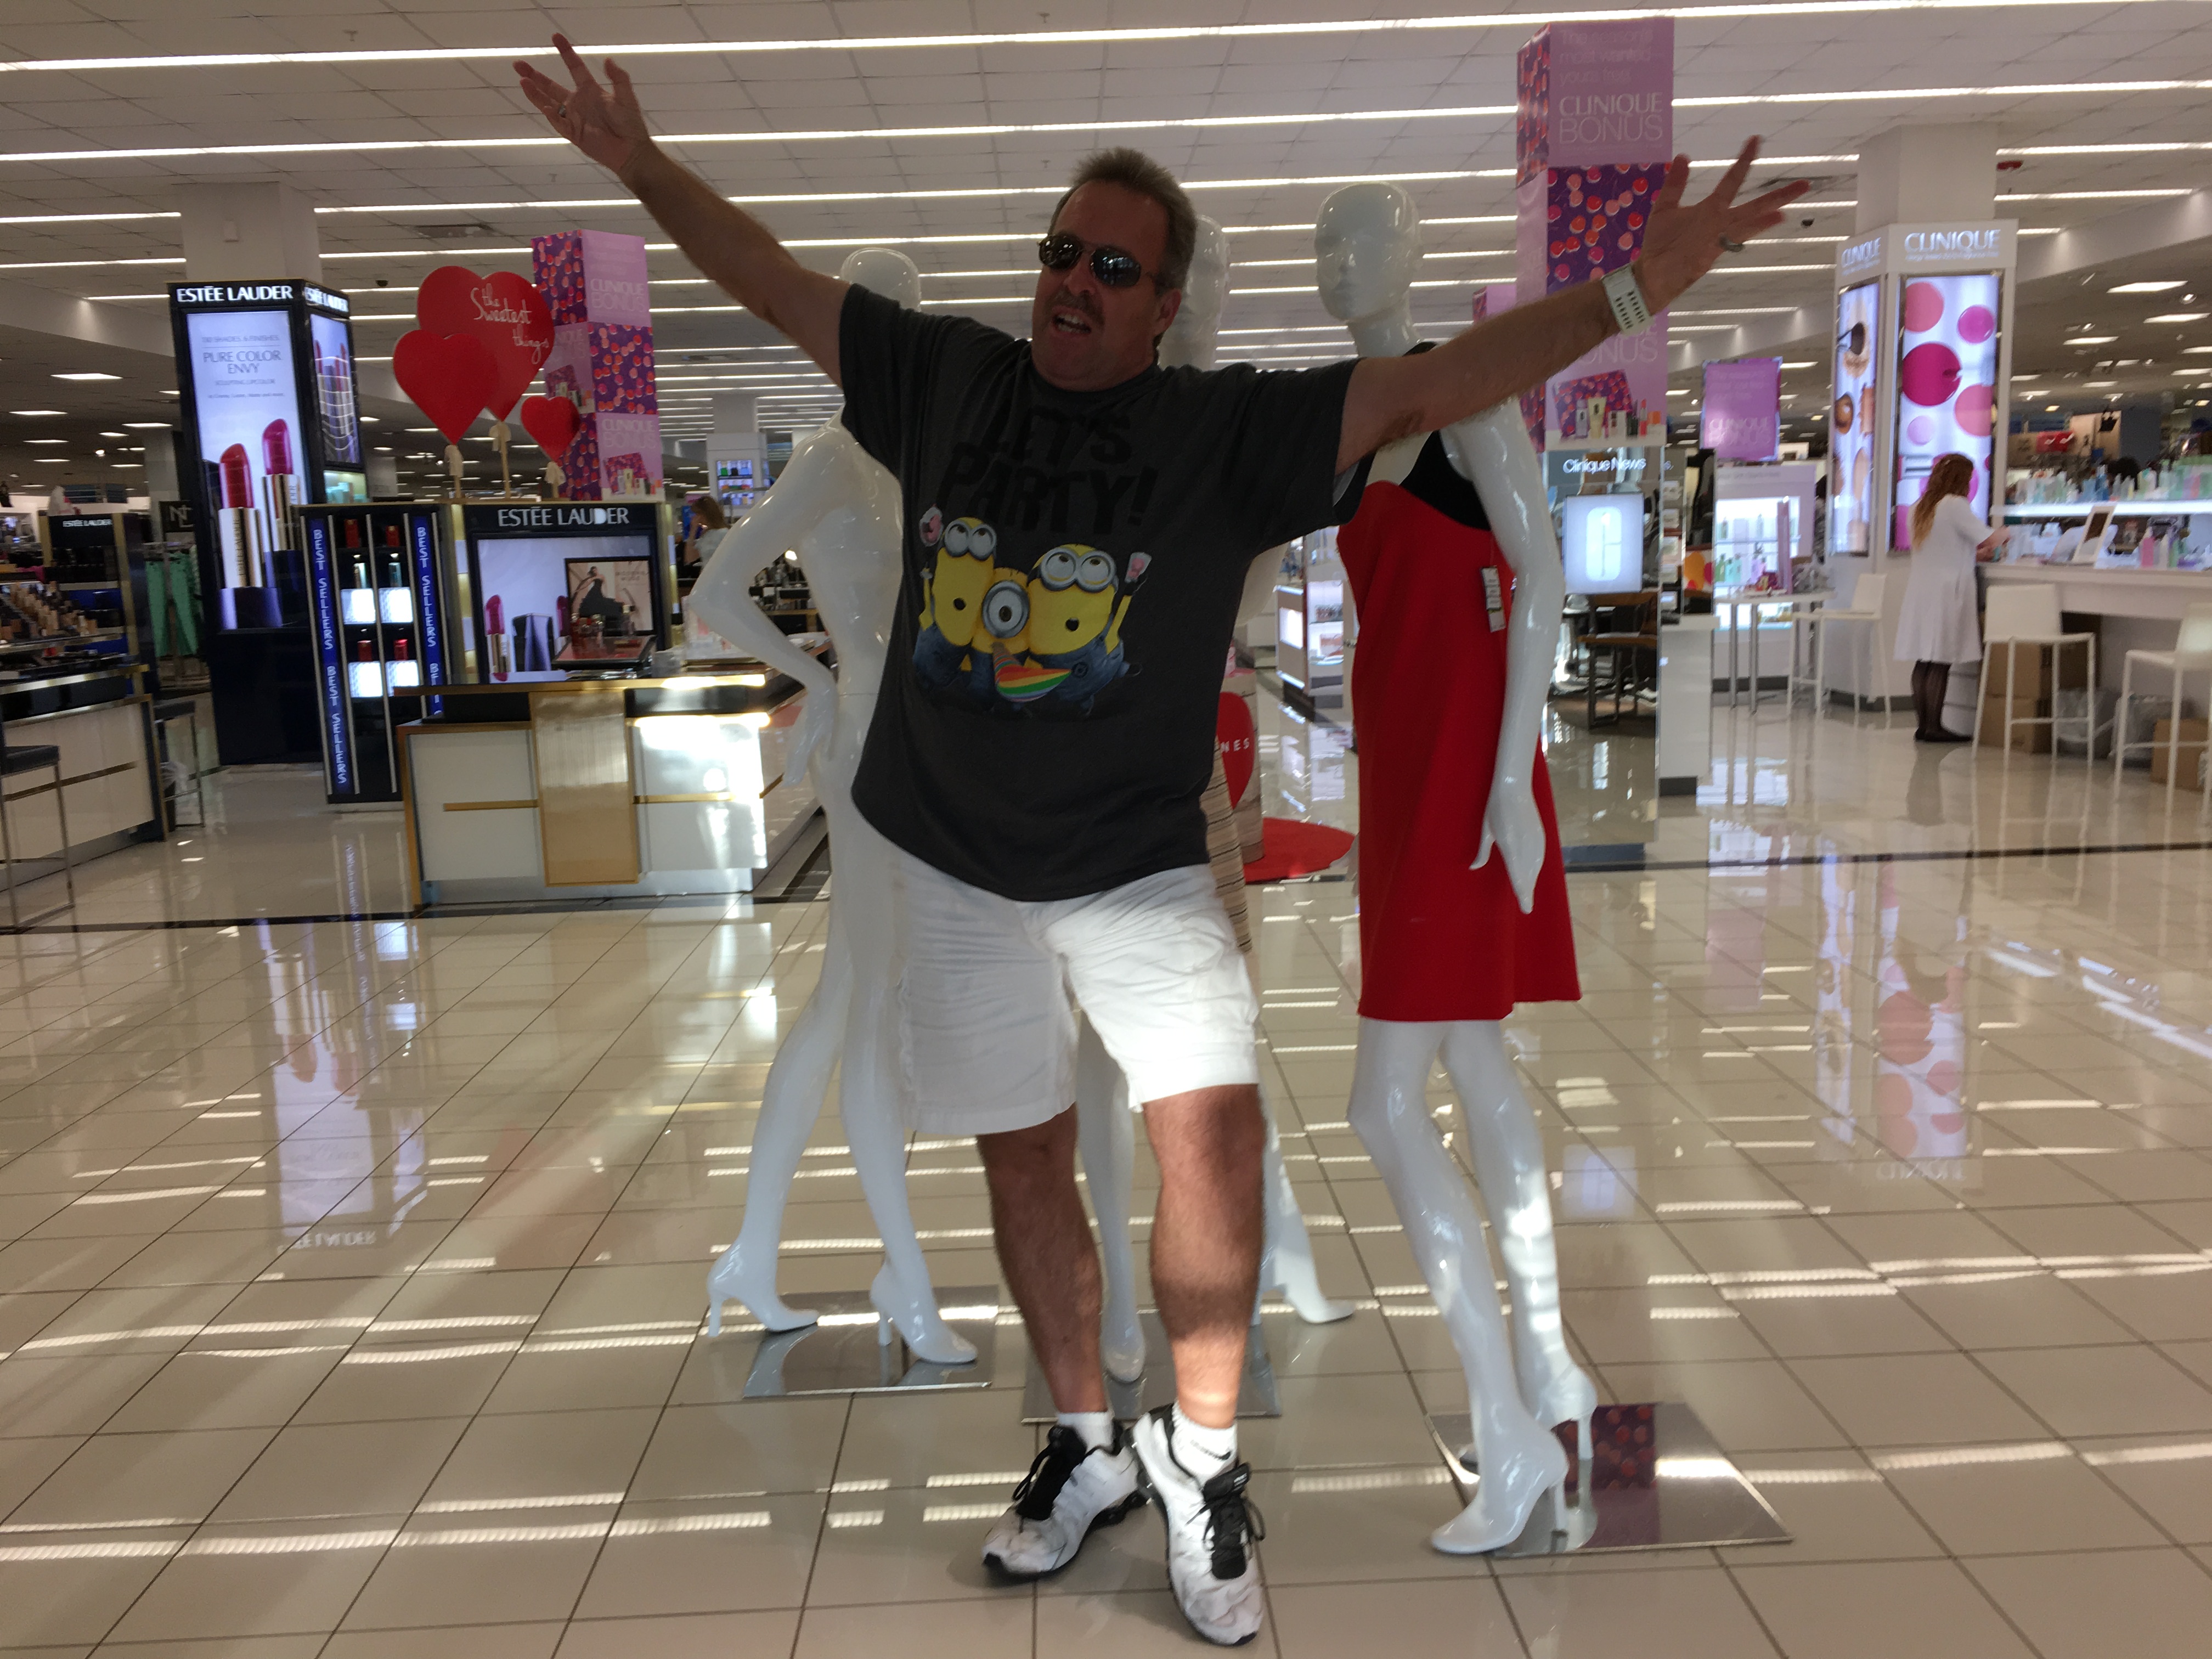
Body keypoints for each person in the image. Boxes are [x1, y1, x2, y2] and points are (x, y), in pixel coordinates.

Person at [515, 34, 1802, 1646]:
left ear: (1163, 301)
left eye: (1112, 268)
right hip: (952, 863)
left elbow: (1436, 386)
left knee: (1215, 1141)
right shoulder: (948, 377)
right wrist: (642, 169)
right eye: (1061, 251)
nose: (1075, 282)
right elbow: (770, 279)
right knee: (1024, 1154)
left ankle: (1201, 1463)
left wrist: (1633, 290)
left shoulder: (1221, 433)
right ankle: (1084, 1445)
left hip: (1137, 868)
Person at [1895, 453, 2005, 742]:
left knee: (1924, 659)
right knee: (1941, 659)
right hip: (1947, 592)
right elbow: (1990, 538)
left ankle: (1923, 725)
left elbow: (1940, 548)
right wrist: (2008, 533)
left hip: (1922, 591)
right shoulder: (1954, 504)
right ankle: (1934, 727)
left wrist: (1972, 554)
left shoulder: (1921, 507)